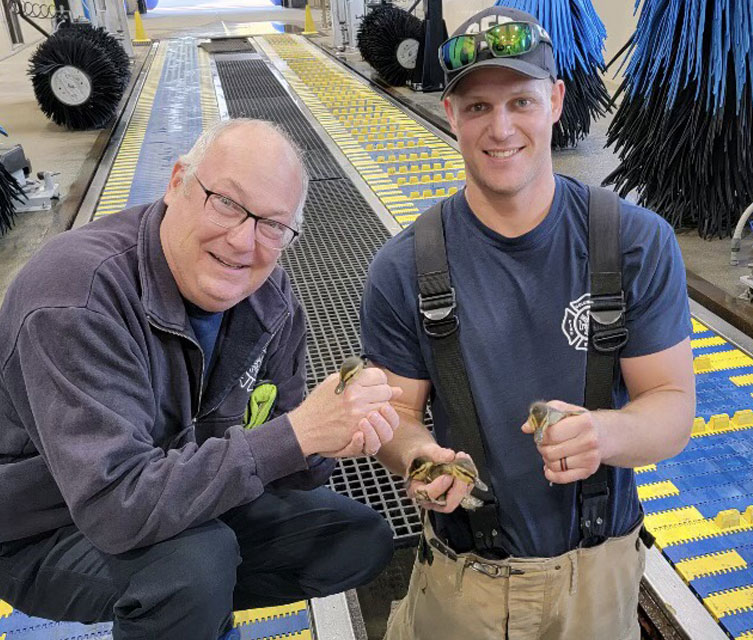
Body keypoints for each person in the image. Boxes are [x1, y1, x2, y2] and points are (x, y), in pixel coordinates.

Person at [360, 7, 696, 640]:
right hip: (465, 584)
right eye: (478, 107)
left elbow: (672, 408)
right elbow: (394, 417)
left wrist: (604, 434)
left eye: (520, 100)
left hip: (597, 580)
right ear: (452, 114)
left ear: (556, 100)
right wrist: (417, 458)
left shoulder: (634, 244)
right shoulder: (405, 268)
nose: (501, 127)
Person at [0, 118, 401, 640]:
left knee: (355, 538)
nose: (243, 241)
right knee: (194, 567)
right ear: (176, 184)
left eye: (273, 225)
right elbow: (115, 504)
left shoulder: (268, 300)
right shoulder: (77, 297)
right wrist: (297, 434)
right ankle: (183, 609)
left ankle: (186, 617)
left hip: (175, 489)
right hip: (44, 525)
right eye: (228, 203)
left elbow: (284, 450)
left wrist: (331, 439)